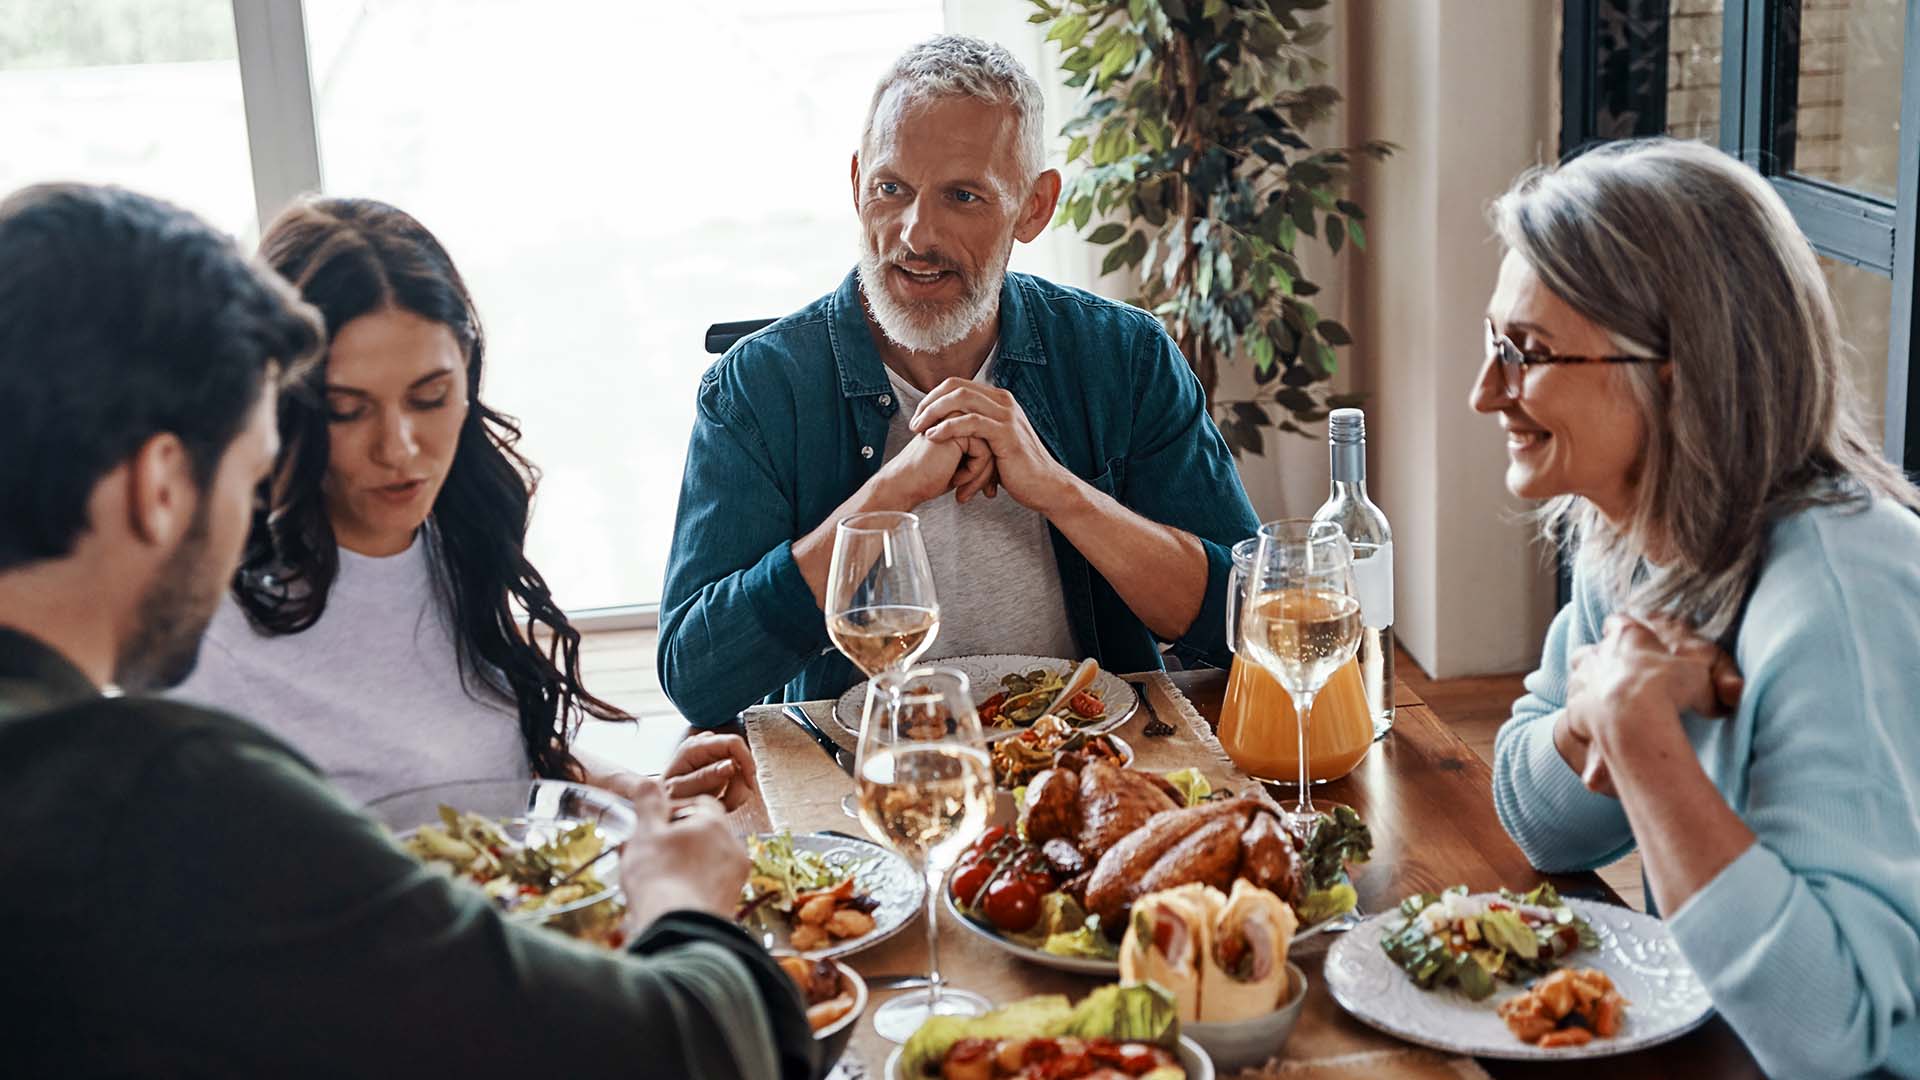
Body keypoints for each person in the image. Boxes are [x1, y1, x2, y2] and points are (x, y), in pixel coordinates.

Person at [0, 182, 817, 1078]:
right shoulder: (178, 789)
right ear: (162, 485)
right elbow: (691, 1046)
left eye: (431, 396)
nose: (397, 450)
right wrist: (680, 903)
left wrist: (608, 799)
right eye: (250, 471)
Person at [658, 35, 1259, 727]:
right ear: (857, 184)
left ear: (1034, 207)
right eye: (892, 189)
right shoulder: (756, 390)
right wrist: (891, 494)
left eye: (963, 196)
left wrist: (1060, 491)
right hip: (857, 788)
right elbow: (697, 678)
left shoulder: (1126, 357)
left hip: (1095, 773)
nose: (917, 234)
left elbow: (1248, 624)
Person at [1477, 139, 1920, 1077]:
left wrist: (1641, 742)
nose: (1488, 393)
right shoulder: (1635, 530)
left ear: (1673, 369)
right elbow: (1539, 822)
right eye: (1495, 345)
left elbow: (1835, 1037)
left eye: (1530, 354)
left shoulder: (1839, 599)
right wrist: (1592, 714)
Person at [170, 197, 757, 809]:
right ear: (279, 403)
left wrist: (631, 793)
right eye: (346, 410)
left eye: (430, 397)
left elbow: (479, 742)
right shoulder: (211, 643)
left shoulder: (447, 539)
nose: (399, 450)